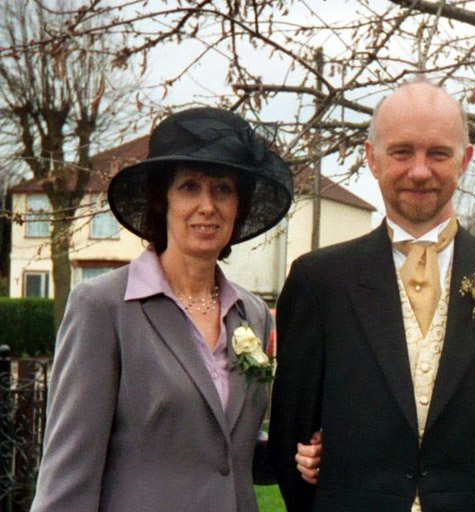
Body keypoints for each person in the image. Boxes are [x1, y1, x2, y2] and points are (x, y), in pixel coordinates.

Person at [269, 81, 475, 512]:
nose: (419, 171)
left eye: (438, 153)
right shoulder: (319, 282)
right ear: (372, 158)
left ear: (464, 160)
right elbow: (290, 437)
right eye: (402, 152)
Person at [31, 107, 314, 512]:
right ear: (162, 200)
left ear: (239, 204)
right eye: (189, 187)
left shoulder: (250, 312)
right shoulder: (103, 308)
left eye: (222, 189)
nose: (207, 206)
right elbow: (67, 479)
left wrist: (300, 452)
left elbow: (226, 449)